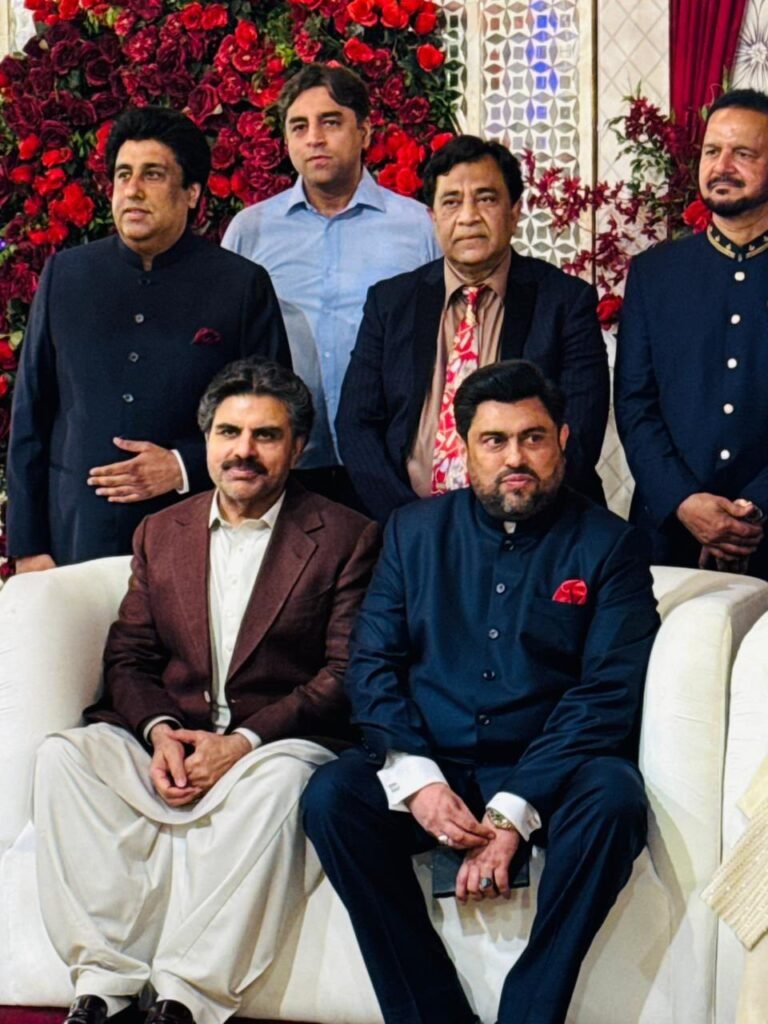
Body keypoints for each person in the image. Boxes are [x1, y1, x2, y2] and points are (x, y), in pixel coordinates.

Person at [302, 359, 659, 1024]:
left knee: (614, 799)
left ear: (563, 440)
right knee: (332, 797)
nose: (514, 458)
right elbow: (372, 664)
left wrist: (514, 811)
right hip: (435, 758)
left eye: (533, 437)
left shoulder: (611, 546)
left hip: (549, 769)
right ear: (464, 448)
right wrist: (418, 780)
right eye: (494, 440)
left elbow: (607, 692)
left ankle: (530, 1010)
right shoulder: (411, 532)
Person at [33, 358, 380, 1024]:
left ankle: (186, 996)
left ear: (297, 448)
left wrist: (241, 743)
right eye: (228, 433)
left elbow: (344, 673)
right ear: (208, 440)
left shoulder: (344, 536)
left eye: (266, 435)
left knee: (287, 780)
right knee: (65, 757)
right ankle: (105, 983)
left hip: (272, 744)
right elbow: (129, 658)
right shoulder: (162, 530)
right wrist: (161, 733)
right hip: (175, 736)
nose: (243, 451)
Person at [8, 106, 290, 570]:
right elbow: (30, 418)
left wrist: (182, 465)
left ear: (192, 192)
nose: (133, 190)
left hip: (199, 539)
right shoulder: (65, 276)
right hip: (72, 538)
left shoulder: (240, 285)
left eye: (153, 175)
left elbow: (275, 419)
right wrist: (27, 547)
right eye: (123, 175)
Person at [335, 135, 609, 524]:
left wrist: (511, 522)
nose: (468, 217)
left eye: (486, 199)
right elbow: (356, 425)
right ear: (433, 217)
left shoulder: (565, 301)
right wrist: (408, 521)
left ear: (514, 212)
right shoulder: (391, 302)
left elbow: (580, 430)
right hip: (408, 522)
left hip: (537, 526)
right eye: (451, 202)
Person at [222, 63, 440, 502]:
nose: (314, 139)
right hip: (281, 464)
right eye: (299, 126)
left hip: (392, 462)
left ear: (364, 131)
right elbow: (225, 344)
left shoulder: (420, 227)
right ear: (286, 141)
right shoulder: (251, 230)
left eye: (331, 122)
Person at [615, 88, 768, 579]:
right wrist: (684, 501)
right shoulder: (655, 273)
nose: (722, 166)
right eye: (712, 151)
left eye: (743, 153)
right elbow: (635, 405)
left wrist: (754, 509)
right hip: (669, 534)